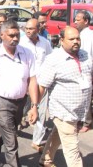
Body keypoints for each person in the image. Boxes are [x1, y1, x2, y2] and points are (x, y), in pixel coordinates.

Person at [0, 20, 39, 167]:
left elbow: (32, 79)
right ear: (1, 35)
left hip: (21, 102)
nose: (15, 39)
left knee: (9, 131)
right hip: (1, 103)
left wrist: (34, 106)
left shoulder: (27, 53)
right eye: (11, 35)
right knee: (11, 141)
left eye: (17, 35)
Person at [38, 27, 91, 167]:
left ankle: (45, 160)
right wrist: (34, 107)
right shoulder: (53, 60)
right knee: (72, 148)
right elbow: (42, 85)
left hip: (80, 111)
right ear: (62, 40)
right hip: (63, 110)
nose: (76, 42)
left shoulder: (85, 55)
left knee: (57, 135)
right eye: (71, 39)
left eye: (77, 38)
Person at [19, 19, 52, 153]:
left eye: (31, 28)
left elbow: (50, 60)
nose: (28, 31)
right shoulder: (20, 44)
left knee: (41, 111)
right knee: (22, 109)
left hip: (42, 83)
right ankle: (15, 125)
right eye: (26, 28)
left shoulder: (45, 43)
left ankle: (37, 140)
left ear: (38, 29)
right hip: (25, 83)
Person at [74, 10, 93, 133]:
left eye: (78, 20)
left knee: (85, 97)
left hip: (87, 70)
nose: (75, 22)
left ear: (86, 21)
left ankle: (87, 122)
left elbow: (85, 56)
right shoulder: (83, 35)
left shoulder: (87, 36)